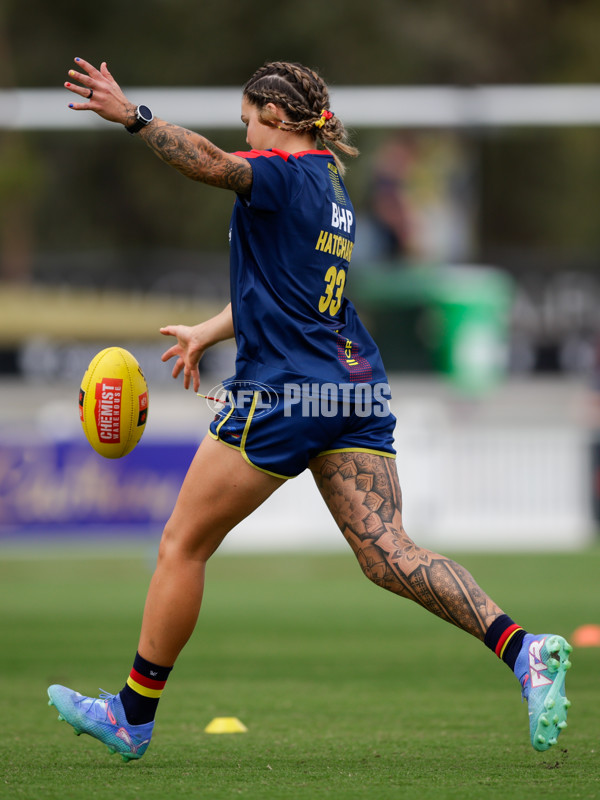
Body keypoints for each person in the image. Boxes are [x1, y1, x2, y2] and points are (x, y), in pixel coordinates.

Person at [48, 57, 572, 762]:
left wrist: (135, 118)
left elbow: (207, 162)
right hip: (349, 386)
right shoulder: (331, 185)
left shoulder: (284, 172)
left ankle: (131, 714)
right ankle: (522, 648)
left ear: (277, 117)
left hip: (287, 392)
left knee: (182, 544)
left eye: (248, 122)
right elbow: (286, 288)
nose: (244, 136)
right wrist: (209, 330)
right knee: (388, 553)